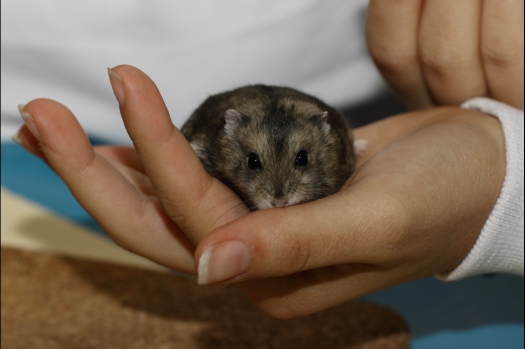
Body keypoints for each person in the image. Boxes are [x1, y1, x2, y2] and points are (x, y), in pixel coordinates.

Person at [10, 0, 524, 319]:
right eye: (255, 168)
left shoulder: (330, 134)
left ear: (321, 142)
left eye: (301, 163)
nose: (278, 195)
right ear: (233, 144)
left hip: (381, 97)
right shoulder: (223, 134)